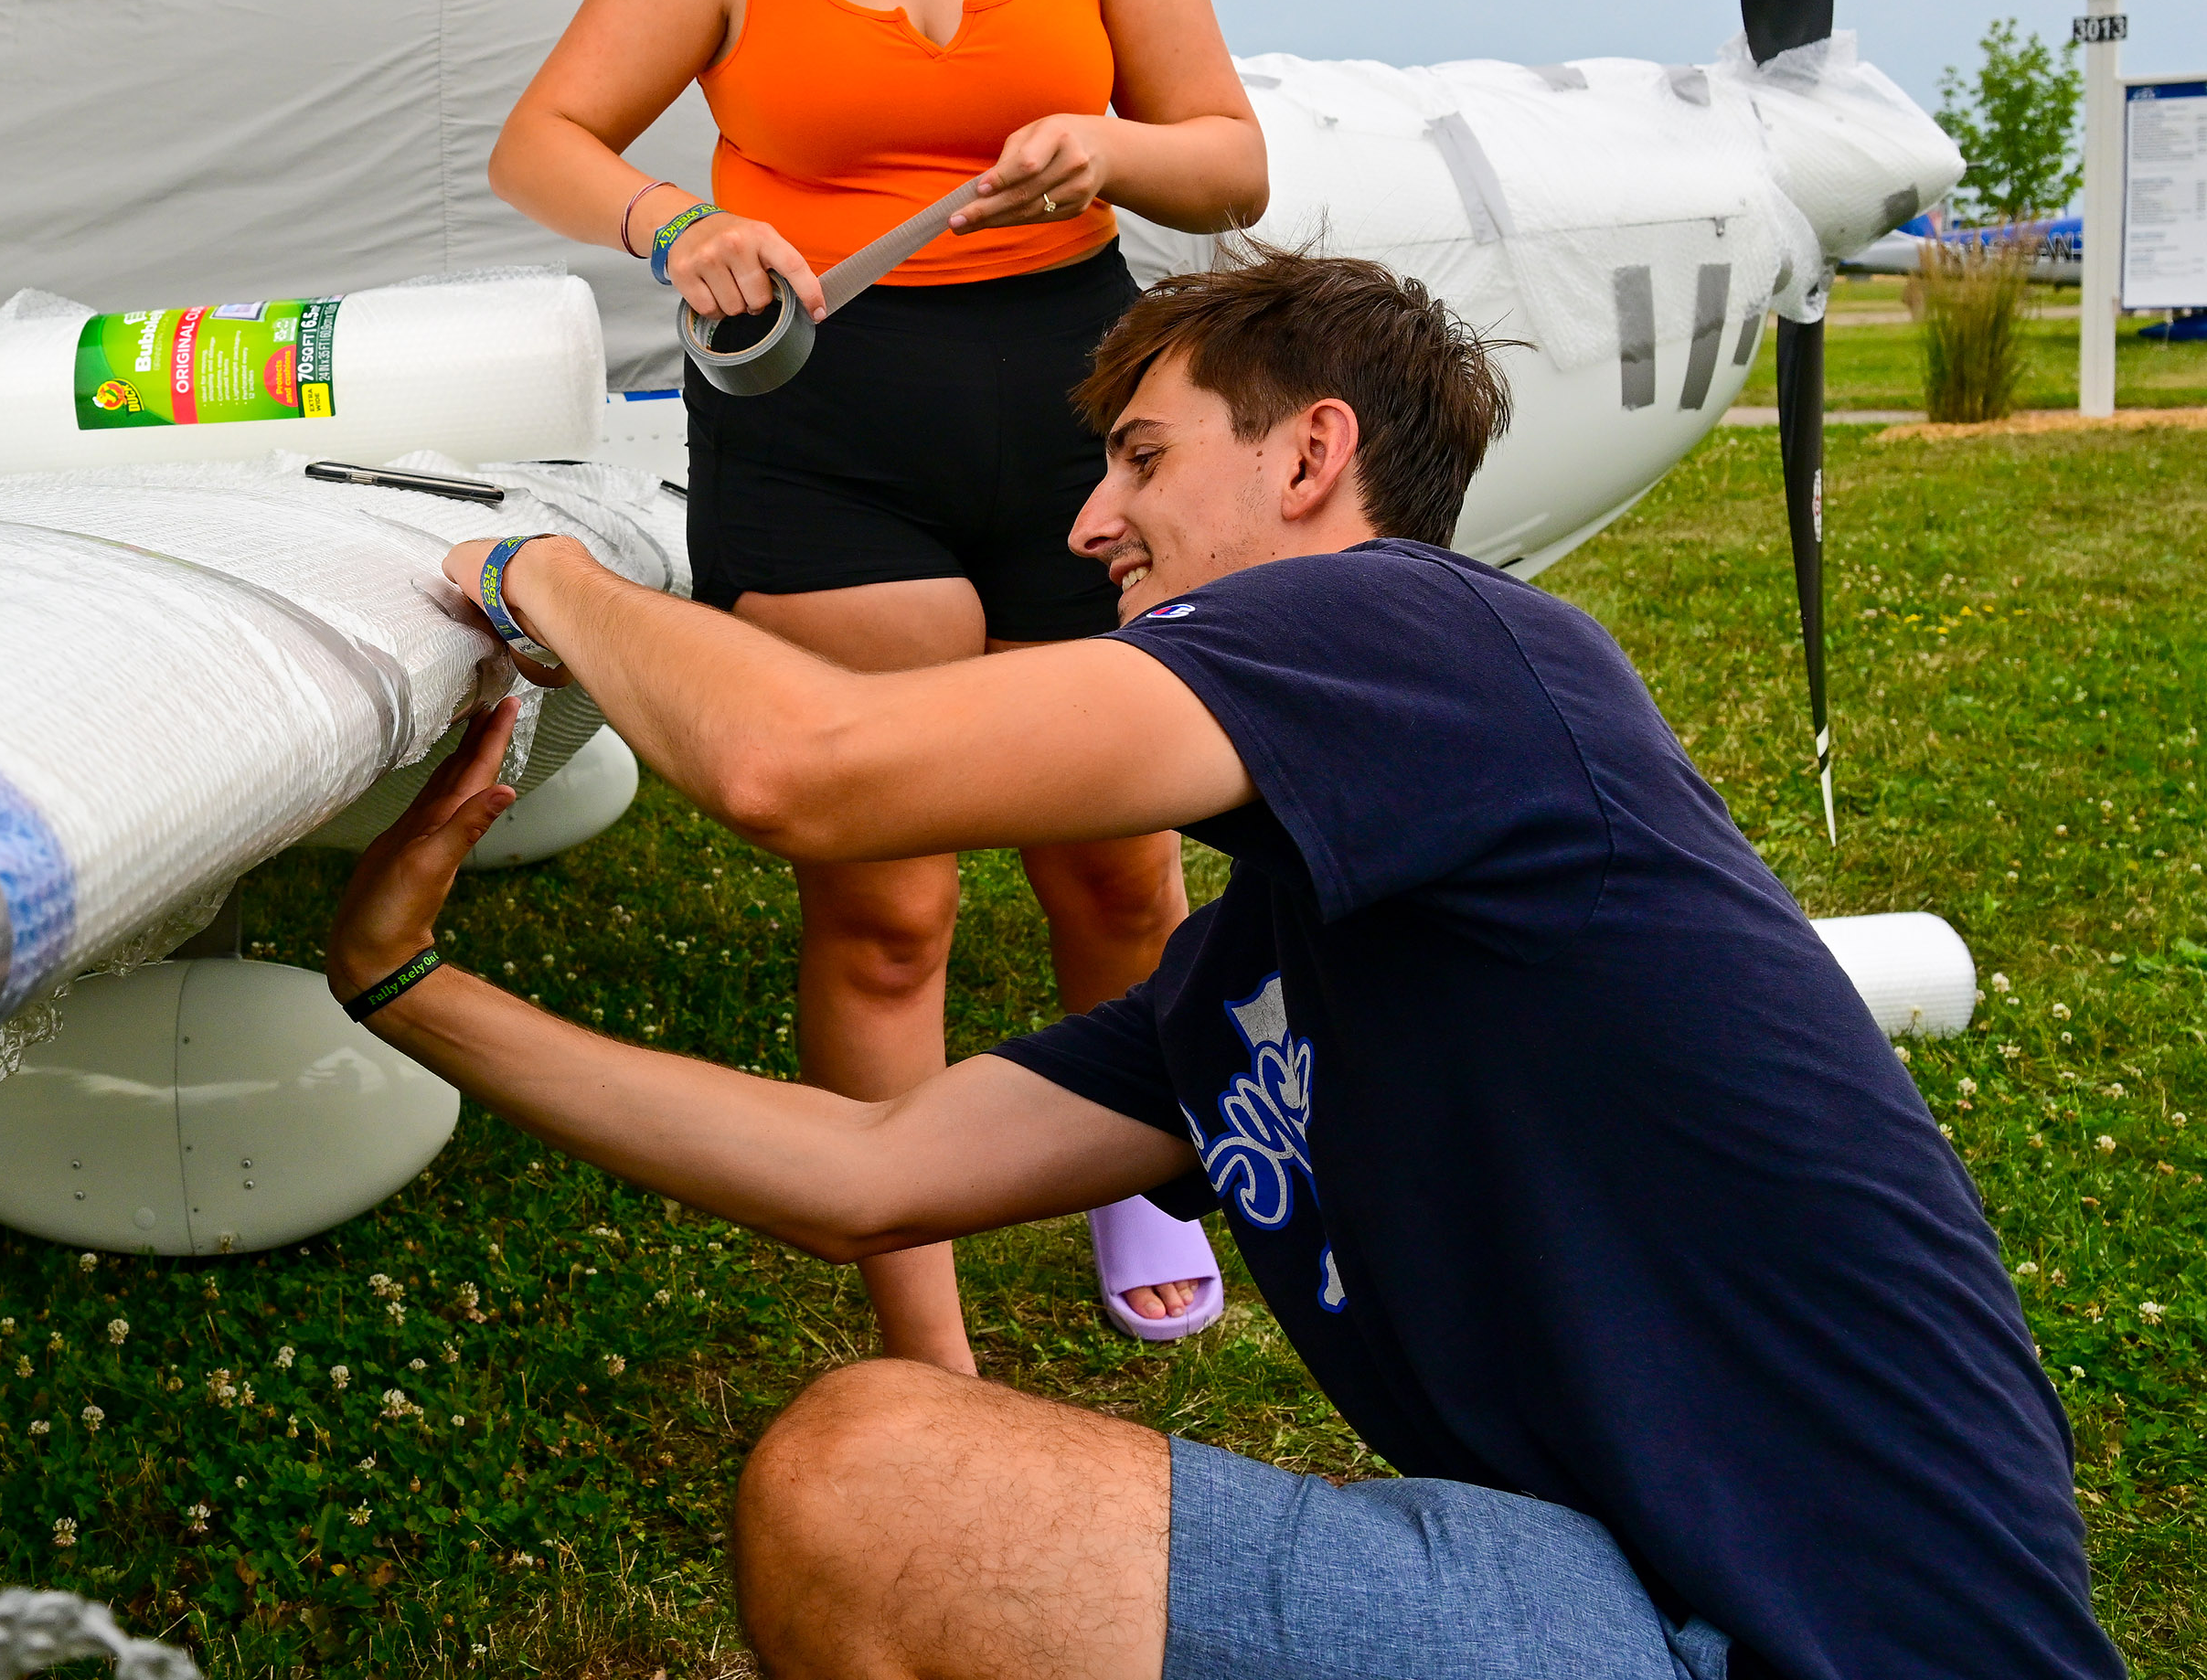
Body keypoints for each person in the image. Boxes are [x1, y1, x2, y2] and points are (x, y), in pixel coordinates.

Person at [336, 250, 2119, 1680]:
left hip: (1834, 1632)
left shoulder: (1421, 631)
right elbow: (862, 1173)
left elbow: (810, 771)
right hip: (1610, 1585)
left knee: (870, 1485)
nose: (1081, 528)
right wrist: (404, 990)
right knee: (871, 1480)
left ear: (1309, 456)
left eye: (1138, 458)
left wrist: (535, 569)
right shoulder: (1248, 970)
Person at [489, 0, 1268, 1359]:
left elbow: (1228, 152)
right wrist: (674, 222)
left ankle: (1131, 1181)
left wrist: (1109, 150)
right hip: (820, 423)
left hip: (1078, 413)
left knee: (1115, 866)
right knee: (884, 907)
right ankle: (922, 1335)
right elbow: (542, 141)